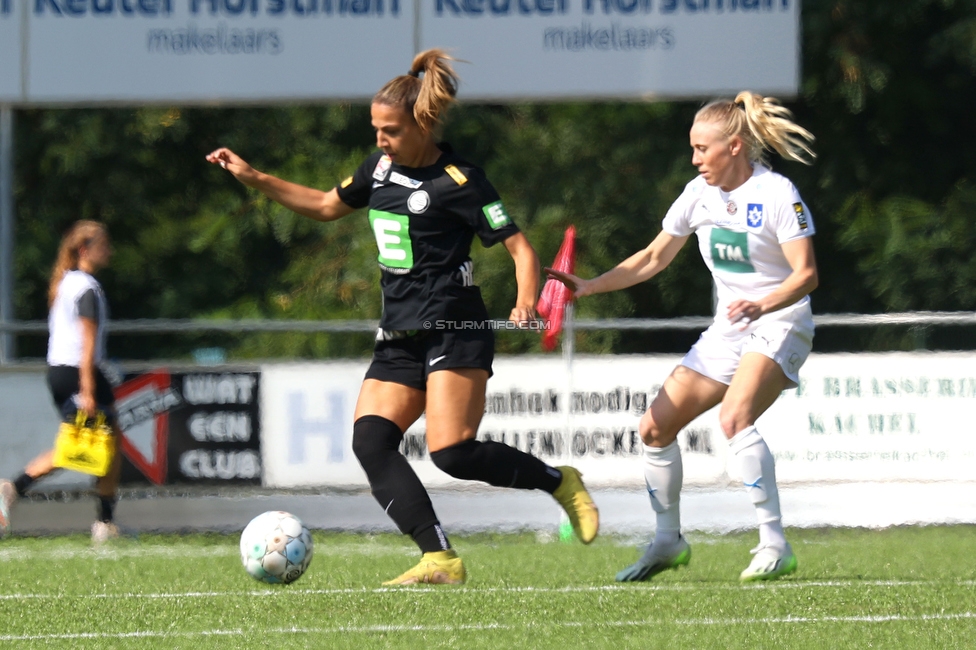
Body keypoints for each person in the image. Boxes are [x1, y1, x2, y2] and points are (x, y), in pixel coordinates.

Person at [206, 49, 599, 585]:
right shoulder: (379, 169)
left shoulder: (462, 181)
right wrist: (255, 177)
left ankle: (559, 481)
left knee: (452, 452)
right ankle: (439, 558)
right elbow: (325, 206)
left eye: (389, 130)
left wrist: (526, 299)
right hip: (399, 334)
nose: (379, 140)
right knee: (370, 441)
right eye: (375, 128)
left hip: (455, 325)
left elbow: (521, 250)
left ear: (423, 124)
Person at [547, 92, 818, 582]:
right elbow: (653, 258)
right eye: (692, 150)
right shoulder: (699, 194)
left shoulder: (778, 193)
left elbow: (806, 276)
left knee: (735, 419)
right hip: (731, 328)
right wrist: (590, 285)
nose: (695, 160)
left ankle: (775, 544)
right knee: (654, 427)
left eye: (702, 149)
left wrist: (763, 303)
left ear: (734, 146)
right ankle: (668, 542)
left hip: (781, 321)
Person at [0, 220, 124, 545]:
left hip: (61, 371)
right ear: (85, 249)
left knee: (101, 442)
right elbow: (87, 342)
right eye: (103, 244)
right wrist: (88, 389)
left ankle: (105, 521)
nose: (109, 250)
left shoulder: (67, 282)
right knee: (83, 445)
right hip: (79, 372)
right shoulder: (85, 288)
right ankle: (14, 486)